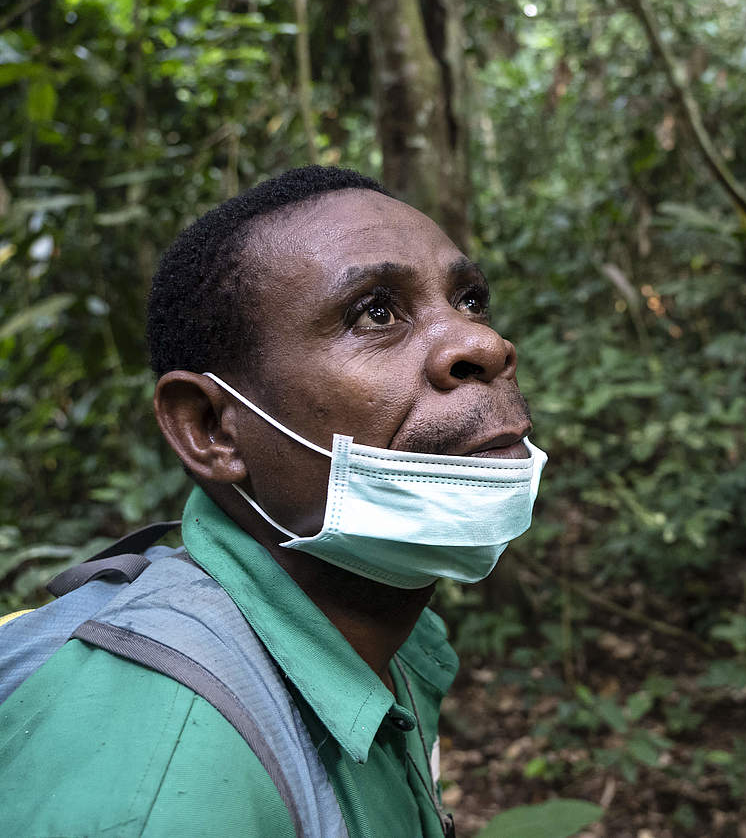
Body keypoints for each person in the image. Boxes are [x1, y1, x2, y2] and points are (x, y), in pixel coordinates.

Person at [0, 166, 545, 836]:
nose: (485, 345)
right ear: (211, 429)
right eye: (376, 312)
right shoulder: (162, 785)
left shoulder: (382, 636)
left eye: (469, 301)